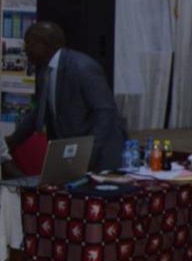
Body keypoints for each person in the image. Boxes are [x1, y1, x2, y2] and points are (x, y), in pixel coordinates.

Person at [4, 21, 126, 171]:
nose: (26, 50)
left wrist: (88, 154)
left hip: (100, 156)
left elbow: (105, 112)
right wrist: (10, 142)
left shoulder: (82, 67)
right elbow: (40, 112)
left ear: (43, 43)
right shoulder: (45, 71)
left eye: (28, 43)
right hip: (72, 155)